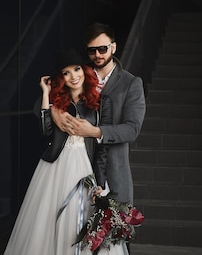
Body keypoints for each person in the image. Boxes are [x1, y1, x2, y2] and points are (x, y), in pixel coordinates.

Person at [3, 48, 128, 255]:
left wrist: (100, 180)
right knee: (47, 219)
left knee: (88, 219)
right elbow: (46, 132)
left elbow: (101, 146)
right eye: (66, 72)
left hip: (85, 166)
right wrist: (46, 94)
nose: (73, 76)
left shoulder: (97, 102)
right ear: (60, 77)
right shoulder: (58, 102)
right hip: (56, 167)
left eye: (77, 69)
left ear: (84, 70)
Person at [51, 23, 146, 206]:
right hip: (74, 168)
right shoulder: (77, 73)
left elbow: (132, 129)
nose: (98, 55)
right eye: (92, 50)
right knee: (70, 232)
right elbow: (45, 95)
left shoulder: (131, 83)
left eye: (103, 49)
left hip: (113, 172)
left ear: (114, 47)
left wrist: (95, 132)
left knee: (110, 232)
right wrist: (54, 110)